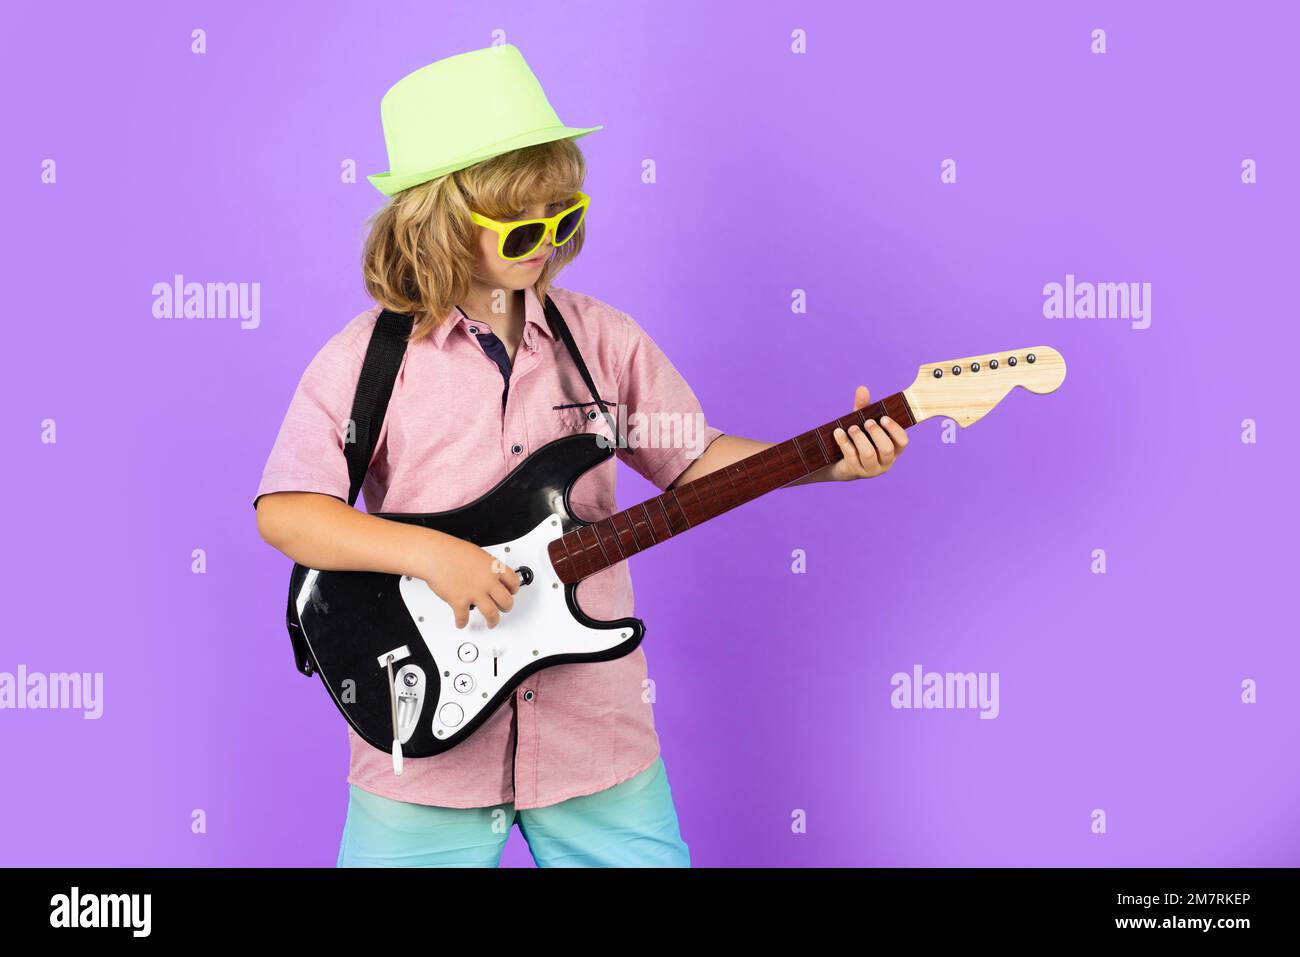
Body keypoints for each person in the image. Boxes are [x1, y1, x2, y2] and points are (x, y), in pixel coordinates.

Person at [253, 43, 908, 868]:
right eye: (525, 226)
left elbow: (694, 458)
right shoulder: (366, 361)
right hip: (422, 755)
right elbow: (288, 511)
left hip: (594, 739)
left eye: (565, 218)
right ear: (439, 221)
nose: (550, 243)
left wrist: (823, 459)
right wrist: (432, 556)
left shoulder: (603, 341)